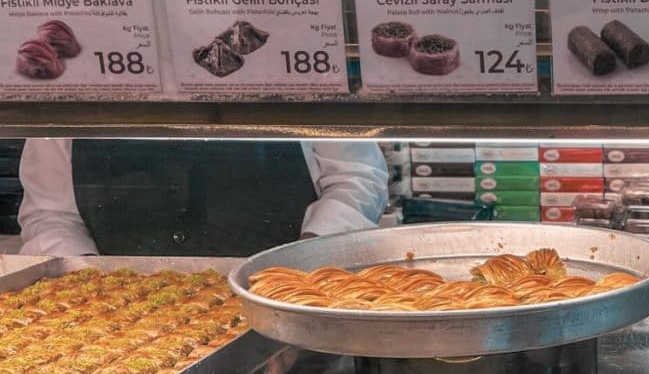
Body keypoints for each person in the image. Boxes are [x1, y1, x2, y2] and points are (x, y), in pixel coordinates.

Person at [19, 138, 390, 256]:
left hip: (289, 328)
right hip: (112, 338)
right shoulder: (73, 76)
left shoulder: (285, 50)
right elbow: (51, 216)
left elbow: (357, 177)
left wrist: (305, 268)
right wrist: (88, 292)